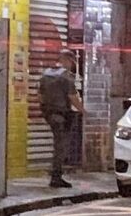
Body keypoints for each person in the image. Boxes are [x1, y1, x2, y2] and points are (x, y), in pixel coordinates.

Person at [39, 49, 85, 188]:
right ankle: (56, 177)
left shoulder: (46, 74)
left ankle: (56, 175)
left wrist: (45, 110)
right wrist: (83, 111)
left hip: (49, 113)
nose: (72, 65)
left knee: (58, 144)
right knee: (61, 146)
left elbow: (39, 96)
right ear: (68, 60)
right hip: (61, 115)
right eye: (72, 62)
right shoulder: (66, 76)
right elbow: (72, 97)